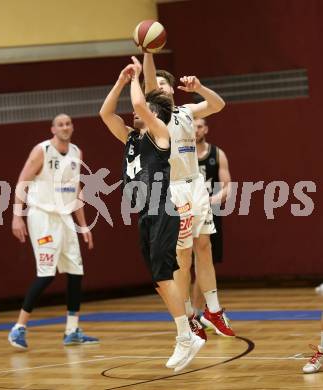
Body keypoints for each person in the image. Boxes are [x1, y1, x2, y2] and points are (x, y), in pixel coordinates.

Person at [99, 56, 205, 372]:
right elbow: (105, 114)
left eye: (143, 107)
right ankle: (186, 333)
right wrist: (120, 80)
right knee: (159, 281)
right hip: (145, 213)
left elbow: (141, 104)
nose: (135, 110)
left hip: (164, 208)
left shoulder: (159, 133)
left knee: (163, 273)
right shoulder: (131, 137)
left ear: (155, 112)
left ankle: (186, 337)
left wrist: (135, 78)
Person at [143, 53, 235, 339]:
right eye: (155, 83)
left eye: (163, 82)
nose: (158, 86)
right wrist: (148, 52)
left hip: (196, 185)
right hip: (174, 188)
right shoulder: (156, 114)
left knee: (204, 247)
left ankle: (214, 309)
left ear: (171, 88)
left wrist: (199, 88)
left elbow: (218, 105)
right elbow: (148, 84)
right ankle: (188, 313)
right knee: (182, 256)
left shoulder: (186, 112)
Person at [8, 113, 99, 349]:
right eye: (60, 124)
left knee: (76, 271)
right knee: (47, 273)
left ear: (72, 127)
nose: (65, 127)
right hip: (42, 215)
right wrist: (17, 216)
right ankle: (18, 328)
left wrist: (83, 224)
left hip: (65, 217)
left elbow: (76, 189)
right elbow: (22, 181)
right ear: (53, 129)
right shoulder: (42, 150)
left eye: (68, 123)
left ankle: (72, 330)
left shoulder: (77, 153)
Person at [191, 118, 232, 334]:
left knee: (204, 263)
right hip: (186, 212)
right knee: (186, 264)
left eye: (199, 126)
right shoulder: (182, 153)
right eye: (192, 125)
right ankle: (198, 313)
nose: (196, 129)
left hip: (209, 212)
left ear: (205, 129)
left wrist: (213, 200)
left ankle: (201, 313)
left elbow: (228, 187)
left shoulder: (217, 154)